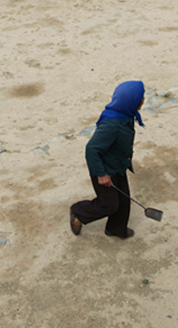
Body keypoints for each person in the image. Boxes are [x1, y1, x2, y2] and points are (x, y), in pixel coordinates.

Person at [70, 80, 145, 239]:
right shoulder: (112, 123)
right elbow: (92, 149)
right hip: (104, 170)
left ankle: (116, 229)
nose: (143, 100)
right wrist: (101, 174)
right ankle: (78, 211)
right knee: (109, 205)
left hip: (118, 166)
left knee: (123, 201)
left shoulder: (126, 113)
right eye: (141, 98)